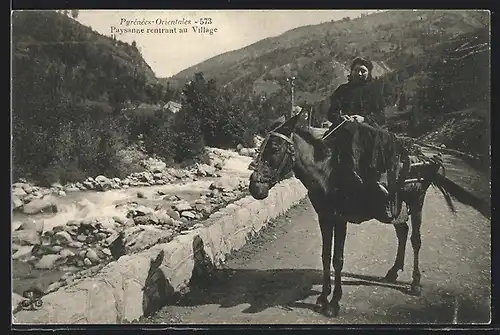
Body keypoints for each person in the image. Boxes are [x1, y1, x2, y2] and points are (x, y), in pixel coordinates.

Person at [326, 57, 408, 223]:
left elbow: (380, 115)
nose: (360, 73)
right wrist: (342, 117)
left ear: (369, 72)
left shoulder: (374, 90)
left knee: (373, 146)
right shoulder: (343, 90)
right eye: (357, 70)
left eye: (363, 70)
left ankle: (368, 181)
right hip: (345, 127)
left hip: (368, 130)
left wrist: (363, 119)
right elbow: (331, 113)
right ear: (352, 72)